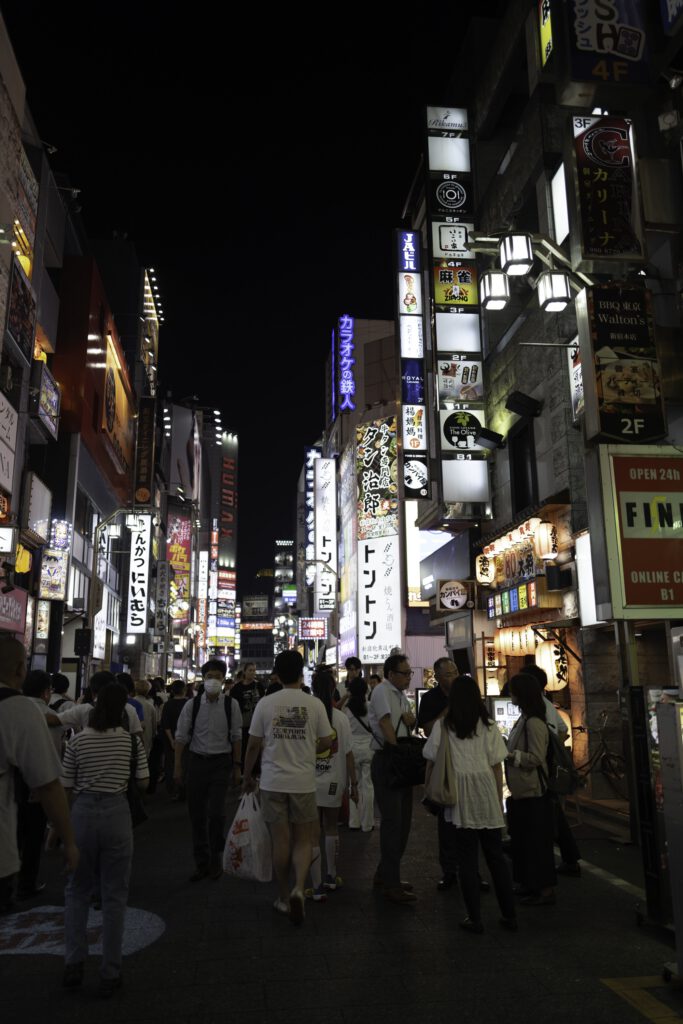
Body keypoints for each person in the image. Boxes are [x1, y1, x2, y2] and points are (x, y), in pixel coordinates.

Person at [62, 683, 149, 996]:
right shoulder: (129, 742)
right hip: (116, 812)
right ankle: (110, 971)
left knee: (77, 890)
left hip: (83, 812)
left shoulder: (78, 741)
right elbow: (143, 780)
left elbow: (66, 785)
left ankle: (73, 962)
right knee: (114, 893)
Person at [242, 650, 334, 925]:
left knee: (280, 840)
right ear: (301, 672)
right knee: (304, 839)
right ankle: (299, 888)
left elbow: (254, 745)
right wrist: (308, 749)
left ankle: (283, 896)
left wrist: (246, 775)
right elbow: (328, 741)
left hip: (272, 782)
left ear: (277, 675)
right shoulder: (314, 704)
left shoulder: (266, 704)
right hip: (303, 782)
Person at [423, 674, 516, 933]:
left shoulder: (444, 726)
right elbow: (497, 765)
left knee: (466, 859)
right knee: (495, 857)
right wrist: (498, 801)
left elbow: (429, 757)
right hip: (485, 791)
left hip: (457, 794)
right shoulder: (487, 725)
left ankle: (474, 918)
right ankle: (510, 915)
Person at [0, 638, 78, 914]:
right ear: (20, 669)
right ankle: (26, 884)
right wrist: (67, 839)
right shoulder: (18, 709)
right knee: (30, 835)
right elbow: (47, 784)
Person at [173, 659, 242, 882]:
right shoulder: (191, 706)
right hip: (197, 762)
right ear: (204, 679)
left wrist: (237, 768)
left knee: (216, 814)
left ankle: (215, 857)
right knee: (196, 814)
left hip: (221, 763)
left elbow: (237, 738)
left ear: (223, 680)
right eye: (210, 676)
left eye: (218, 677)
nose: (213, 681)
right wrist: (177, 767)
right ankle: (201, 862)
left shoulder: (231, 705)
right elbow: (181, 737)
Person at [368, 653, 418, 904]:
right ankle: (390, 883)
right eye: (405, 673)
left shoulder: (399, 694)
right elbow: (386, 724)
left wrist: (411, 719)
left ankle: (386, 874)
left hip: (400, 759)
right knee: (393, 823)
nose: (409, 677)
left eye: (410, 673)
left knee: (403, 823)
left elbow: (405, 721)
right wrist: (397, 751)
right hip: (390, 760)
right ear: (391, 674)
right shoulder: (382, 692)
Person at [523, 662, 581, 877]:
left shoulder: (538, 709)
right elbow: (564, 730)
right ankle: (570, 859)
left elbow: (538, 749)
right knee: (555, 815)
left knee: (548, 818)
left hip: (543, 772)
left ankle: (549, 866)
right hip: (550, 770)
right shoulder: (545, 704)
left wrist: (548, 750)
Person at [505, 673, 556, 906]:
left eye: (513, 690)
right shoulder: (525, 718)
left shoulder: (534, 722)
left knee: (536, 842)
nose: (510, 694)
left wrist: (511, 755)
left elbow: (536, 757)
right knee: (524, 840)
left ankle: (543, 889)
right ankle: (529, 884)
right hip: (521, 791)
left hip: (533, 790)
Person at [307, 671, 356, 900]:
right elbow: (348, 754)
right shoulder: (341, 718)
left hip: (308, 781)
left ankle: (316, 886)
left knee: (311, 834)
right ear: (334, 687)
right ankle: (331, 875)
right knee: (331, 828)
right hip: (335, 780)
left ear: (313, 688)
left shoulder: (307, 713)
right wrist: (353, 783)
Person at [417, 657, 459, 892]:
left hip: (466, 765)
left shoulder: (467, 694)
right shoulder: (430, 699)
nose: (453, 676)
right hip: (444, 765)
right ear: (438, 676)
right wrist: (448, 709)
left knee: (468, 824)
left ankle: (471, 870)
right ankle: (449, 871)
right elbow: (428, 729)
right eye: (448, 673)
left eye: (455, 672)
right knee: (446, 822)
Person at [16, 670, 55, 899]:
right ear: (46, 692)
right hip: (39, 784)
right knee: (33, 836)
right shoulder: (51, 716)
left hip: (11, 784)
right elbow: (53, 757)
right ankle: (26, 883)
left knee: (12, 832)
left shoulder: (12, 710)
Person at [48, 671, 143, 737]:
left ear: (92, 691)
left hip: (91, 763)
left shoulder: (84, 709)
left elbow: (54, 720)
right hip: (123, 762)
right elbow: (138, 735)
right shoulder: (129, 709)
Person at [344, 676, 374, 833]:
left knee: (353, 785)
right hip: (369, 748)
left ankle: (354, 822)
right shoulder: (370, 706)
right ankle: (367, 823)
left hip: (352, 750)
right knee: (368, 786)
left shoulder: (346, 710)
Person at [230, 662, 264, 767]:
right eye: (250, 670)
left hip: (257, 721)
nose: (253, 673)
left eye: (254, 670)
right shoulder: (237, 688)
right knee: (244, 745)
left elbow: (263, 701)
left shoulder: (259, 686)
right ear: (244, 672)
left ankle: (255, 768)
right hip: (242, 722)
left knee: (257, 746)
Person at [161, 680, 188, 798]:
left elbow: (165, 725)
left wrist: (172, 740)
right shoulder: (189, 703)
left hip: (170, 740)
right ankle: (183, 790)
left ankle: (172, 790)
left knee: (170, 764)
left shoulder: (168, 704)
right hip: (186, 740)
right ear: (184, 690)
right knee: (185, 764)